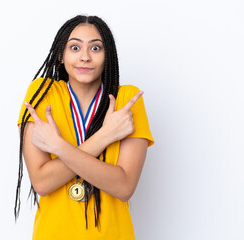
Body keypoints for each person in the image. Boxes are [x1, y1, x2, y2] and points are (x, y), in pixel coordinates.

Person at [15, 15, 154, 239]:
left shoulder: (127, 99)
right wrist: (105, 136)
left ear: (107, 55)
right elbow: (42, 182)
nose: (85, 57)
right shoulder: (43, 93)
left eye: (96, 48)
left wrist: (59, 147)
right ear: (61, 54)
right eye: (75, 47)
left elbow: (124, 186)